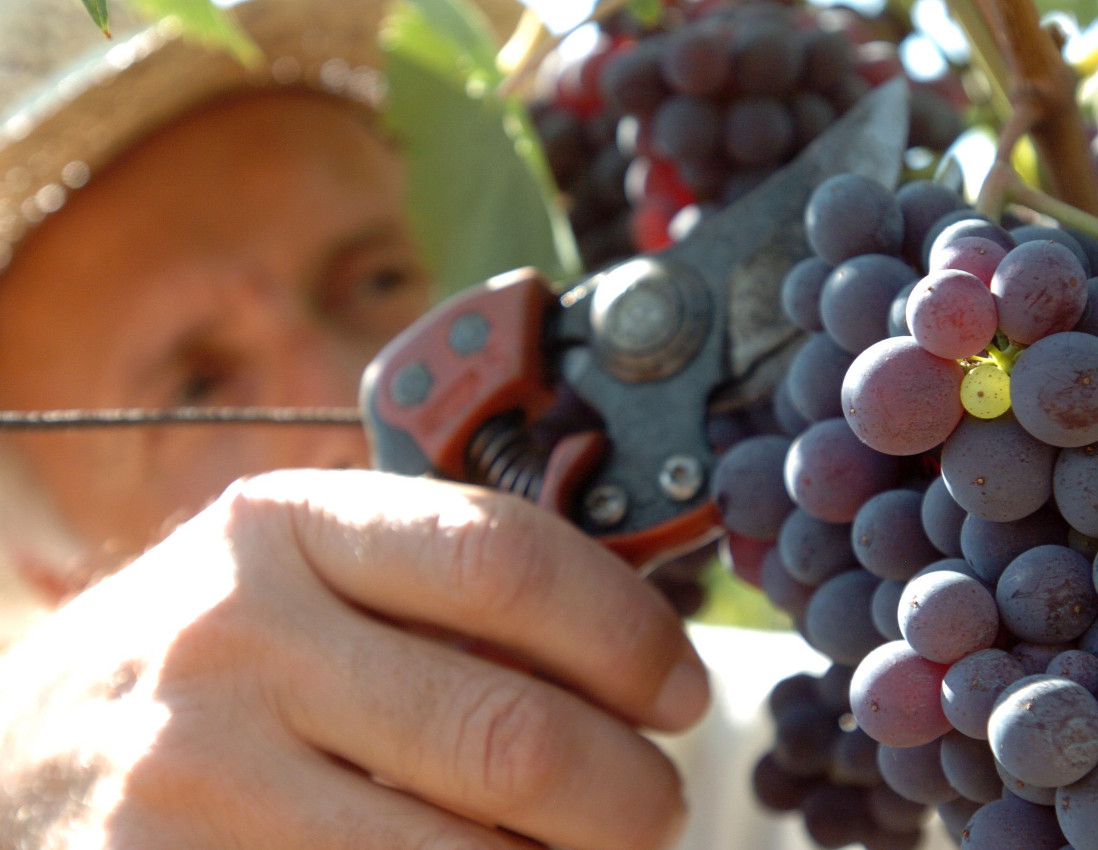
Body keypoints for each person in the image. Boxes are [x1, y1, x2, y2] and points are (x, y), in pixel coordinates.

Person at [0, 2, 837, 849]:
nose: (341, 403)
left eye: (372, 280)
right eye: (195, 384)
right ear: (61, 589)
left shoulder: (852, 763)